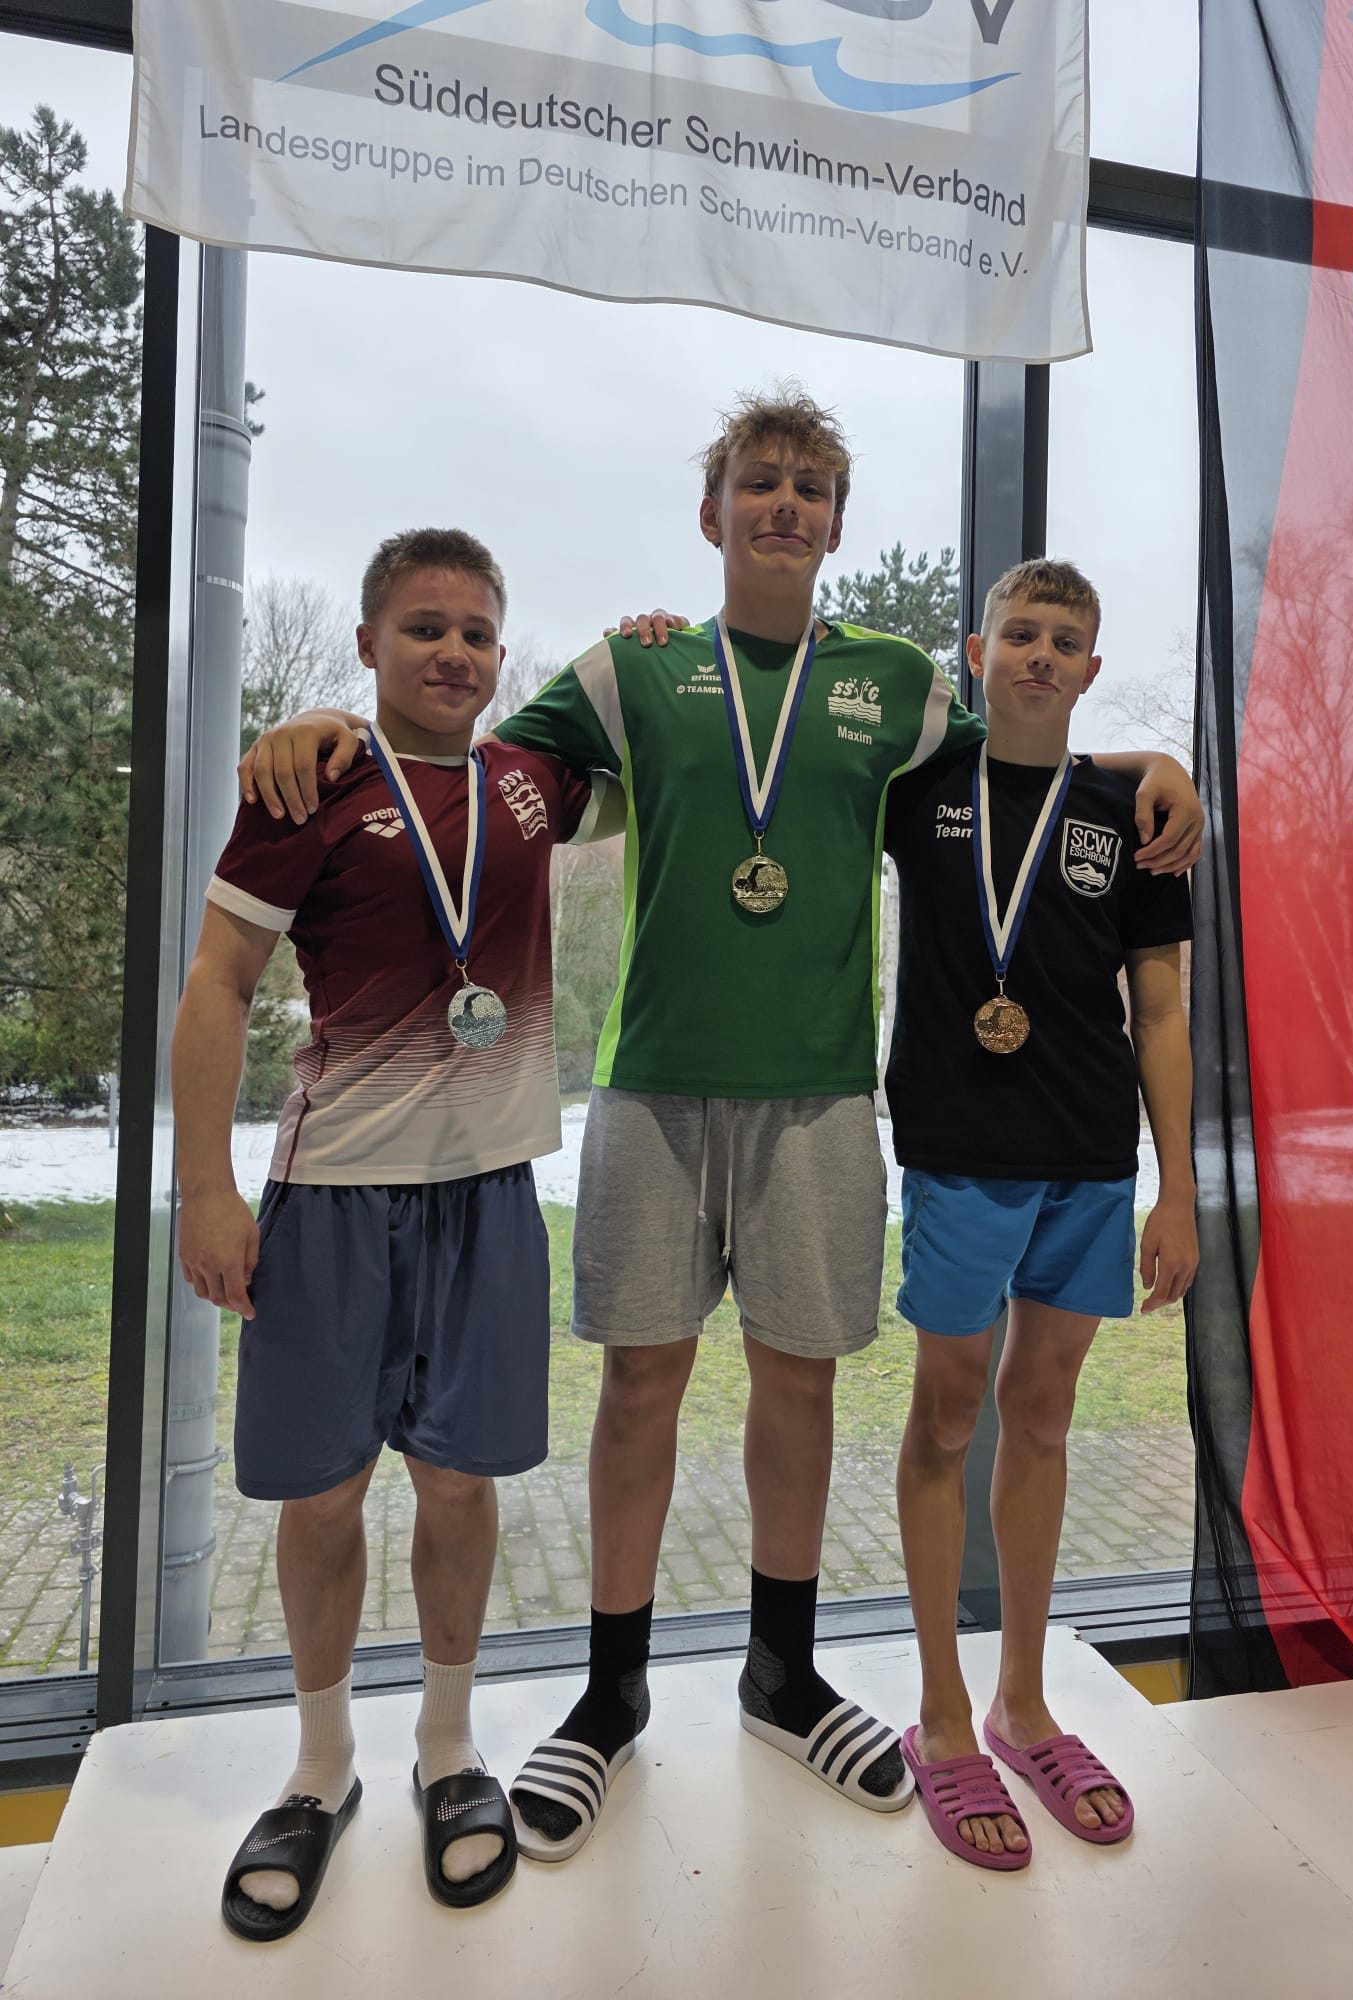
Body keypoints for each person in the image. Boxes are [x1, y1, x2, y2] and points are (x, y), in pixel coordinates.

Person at [237, 388, 1204, 1863]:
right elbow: (460, 748)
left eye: (812, 488)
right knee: (641, 1386)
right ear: (713, 513)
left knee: (798, 1389)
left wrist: (1153, 768)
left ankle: (782, 1676)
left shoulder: (899, 685)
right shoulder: (633, 670)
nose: (785, 505)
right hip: (652, 1089)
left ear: (836, 524)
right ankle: (612, 1696)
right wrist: (330, 722)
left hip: (820, 1097)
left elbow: (1029, 753)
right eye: (761, 482)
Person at [174, 528, 611, 1938]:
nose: (453, 652)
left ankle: (446, 1745)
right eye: (424, 627)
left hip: (492, 1190)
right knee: (323, 1493)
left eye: (478, 632)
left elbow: (677, 735)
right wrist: (205, 1188)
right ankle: (319, 1767)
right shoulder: (307, 783)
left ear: (501, 654)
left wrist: (663, 633)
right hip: (336, 1193)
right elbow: (217, 981)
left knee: (460, 1484)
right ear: (368, 645)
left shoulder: (536, 784)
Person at [884, 558, 1197, 1870]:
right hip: (961, 1153)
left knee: (1048, 1415)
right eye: (1021, 633)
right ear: (976, 651)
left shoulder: (1134, 814)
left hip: (1090, 1157)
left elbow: (1162, 1007)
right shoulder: (916, 788)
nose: (1041, 656)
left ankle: (1023, 1704)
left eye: (1067, 642)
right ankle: (941, 1718)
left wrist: (1178, 1186)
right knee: (949, 1415)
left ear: (1091, 668)